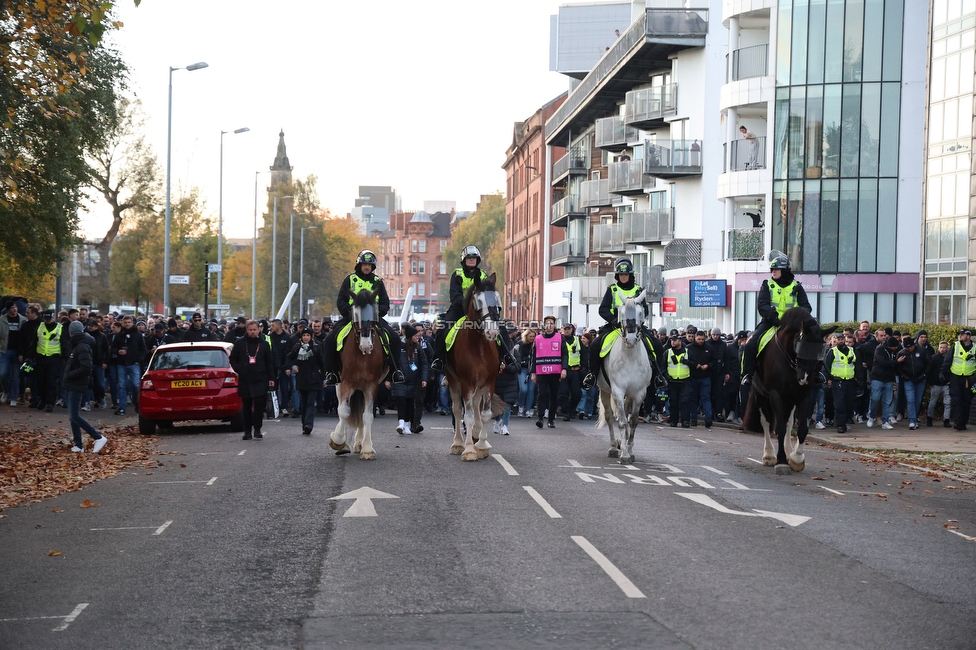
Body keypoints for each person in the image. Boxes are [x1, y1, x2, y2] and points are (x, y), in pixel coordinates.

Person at [322, 250, 404, 386]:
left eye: (369, 265)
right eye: (364, 264)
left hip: (373, 318)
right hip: (352, 318)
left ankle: (394, 371)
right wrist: (350, 313)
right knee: (330, 339)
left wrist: (378, 313)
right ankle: (331, 372)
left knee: (394, 339)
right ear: (359, 265)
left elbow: (385, 303)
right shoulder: (350, 279)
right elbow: (341, 300)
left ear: (373, 267)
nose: (367, 267)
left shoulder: (378, 282)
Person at [430, 245, 516, 374]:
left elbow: (489, 293)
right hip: (459, 309)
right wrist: (466, 304)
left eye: (474, 258)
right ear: (464, 260)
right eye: (469, 258)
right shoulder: (457, 274)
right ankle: (439, 360)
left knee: (500, 327)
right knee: (443, 329)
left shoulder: (483, 275)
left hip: (480, 311)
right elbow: (455, 295)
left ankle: (506, 356)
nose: (471, 260)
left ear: (478, 260)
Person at [582, 257, 655, 390]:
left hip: (635, 326)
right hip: (614, 326)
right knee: (595, 345)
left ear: (630, 275)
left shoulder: (638, 290)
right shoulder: (612, 290)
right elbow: (602, 309)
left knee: (655, 344)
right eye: (621, 274)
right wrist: (613, 320)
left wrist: (639, 321)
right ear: (617, 275)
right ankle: (592, 375)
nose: (623, 277)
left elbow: (645, 310)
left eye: (626, 274)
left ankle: (658, 376)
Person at [739, 253, 811, 387]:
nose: (773, 272)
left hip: (793, 324)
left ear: (784, 270)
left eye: (776, 269)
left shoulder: (797, 286)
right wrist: (775, 318)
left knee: (813, 339)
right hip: (770, 322)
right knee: (750, 344)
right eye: (772, 270)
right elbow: (762, 305)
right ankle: (747, 374)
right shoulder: (767, 284)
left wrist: (796, 318)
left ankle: (816, 373)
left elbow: (806, 307)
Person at [62, 320, 108, 453]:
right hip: (74, 383)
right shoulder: (80, 344)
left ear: (71, 333)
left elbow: (85, 367)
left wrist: (69, 375)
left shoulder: (81, 346)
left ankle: (98, 437)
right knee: (73, 416)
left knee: (74, 416)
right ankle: (78, 444)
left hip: (77, 383)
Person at [230, 320, 275, 440]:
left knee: (260, 404)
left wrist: (271, 377)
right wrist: (239, 369)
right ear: (247, 330)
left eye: (254, 330)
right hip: (245, 378)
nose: (252, 332)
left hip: (260, 378)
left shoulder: (264, 344)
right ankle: (247, 431)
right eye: (250, 330)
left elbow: (269, 362)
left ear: (259, 330)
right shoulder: (240, 343)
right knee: (247, 405)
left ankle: (257, 428)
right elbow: (233, 359)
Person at [386, 323, 429, 435]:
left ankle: (406, 424)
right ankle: (400, 423)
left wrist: (424, 378)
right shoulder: (398, 346)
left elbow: (424, 364)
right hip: (400, 379)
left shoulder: (418, 348)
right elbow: (391, 363)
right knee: (401, 401)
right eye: (415, 336)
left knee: (410, 402)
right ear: (410, 337)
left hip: (413, 380)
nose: (418, 337)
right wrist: (388, 379)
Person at [286, 329, 324, 435]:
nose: (306, 337)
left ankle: (309, 424)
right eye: (304, 335)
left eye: (308, 335)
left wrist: (323, 376)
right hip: (301, 378)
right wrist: (293, 366)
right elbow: (289, 358)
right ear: (301, 337)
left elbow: (322, 362)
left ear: (311, 336)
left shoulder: (316, 347)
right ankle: (304, 425)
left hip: (314, 379)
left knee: (310, 403)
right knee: (304, 403)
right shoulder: (297, 347)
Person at [531, 315, 566, 429]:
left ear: (554, 325)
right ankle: (540, 418)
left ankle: (551, 419)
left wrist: (564, 369)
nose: (549, 326)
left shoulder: (560, 337)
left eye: (551, 323)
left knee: (554, 396)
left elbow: (565, 354)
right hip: (541, 371)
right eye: (547, 323)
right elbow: (533, 356)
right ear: (544, 325)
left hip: (555, 372)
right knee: (542, 394)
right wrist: (533, 372)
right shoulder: (538, 338)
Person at [941, 328, 976, 431]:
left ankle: (963, 422)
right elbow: (947, 360)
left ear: (968, 336)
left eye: (963, 334)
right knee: (956, 400)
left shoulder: (974, 348)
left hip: (969, 378)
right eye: (960, 334)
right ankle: (957, 422)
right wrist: (942, 373)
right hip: (956, 377)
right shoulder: (955, 346)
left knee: (966, 401)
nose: (960, 336)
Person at [111, 314, 146, 416]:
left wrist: (138, 360)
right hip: (121, 363)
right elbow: (113, 348)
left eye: (129, 322)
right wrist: (118, 351)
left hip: (134, 363)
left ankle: (138, 404)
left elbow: (143, 349)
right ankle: (122, 407)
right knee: (122, 386)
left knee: (136, 385)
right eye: (125, 322)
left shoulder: (138, 335)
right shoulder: (119, 335)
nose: (127, 324)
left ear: (132, 323)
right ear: (122, 323)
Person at [825, 332, 856, 433]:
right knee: (840, 404)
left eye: (842, 339)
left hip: (850, 381)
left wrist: (859, 379)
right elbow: (827, 366)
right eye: (839, 339)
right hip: (837, 381)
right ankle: (840, 425)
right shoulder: (832, 351)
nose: (841, 341)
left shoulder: (851, 350)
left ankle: (846, 421)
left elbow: (857, 365)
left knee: (849, 403)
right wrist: (828, 379)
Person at [683, 329, 714, 428]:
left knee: (705, 398)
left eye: (702, 339)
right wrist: (695, 365)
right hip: (693, 377)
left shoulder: (709, 348)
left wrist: (708, 365)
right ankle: (693, 418)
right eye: (699, 339)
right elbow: (685, 361)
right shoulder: (689, 348)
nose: (700, 341)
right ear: (695, 338)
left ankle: (708, 418)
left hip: (705, 377)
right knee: (693, 399)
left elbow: (714, 361)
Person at [868, 335, 900, 430]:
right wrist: (896, 362)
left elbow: (893, 368)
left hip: (889, 379)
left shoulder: (893, 352)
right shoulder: (879, 349)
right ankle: (872, 416)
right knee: (875, 398)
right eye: (895, 346)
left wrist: (894, 380)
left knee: (887, 401)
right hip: (877, 378)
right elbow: (883, 362)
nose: (896, 348)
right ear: (891, 346)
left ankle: (885, 421)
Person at [0, 300, 28, 406]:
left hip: (18, 351)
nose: (14, 309)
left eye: (15, 307)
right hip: (5, 351)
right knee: (2, 374)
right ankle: (6, 391)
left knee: (15, 376)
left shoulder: (23, 320)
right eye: (12, 307)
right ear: (8, 309)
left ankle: (13, 397)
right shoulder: (2, 320)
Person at [897, 336, 927, 430]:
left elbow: (928, 364)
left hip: (920, 378)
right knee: (910, 400)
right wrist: (903, 376)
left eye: (910, 347)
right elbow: (899, 368)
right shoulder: (902, 353)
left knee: (917, 400)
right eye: (907, 347)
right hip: (908, 379)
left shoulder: (922, 351)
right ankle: (912, 420)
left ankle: (915, 417)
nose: (909, 349)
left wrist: (924, 375)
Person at [558, 323, 583, 421]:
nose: (567, 331)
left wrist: (584, 369)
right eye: (565, 329)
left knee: (577, 393)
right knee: (563, 393)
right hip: (563, 370)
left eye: (569, 329)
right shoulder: (559, 340)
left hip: (575, 370)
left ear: (572, 330)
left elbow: (583, 354)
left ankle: (572, 409)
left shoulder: (577, 340)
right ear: (562, 330)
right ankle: (566, 413)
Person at [666, 334, 691, 427]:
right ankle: (674, 420)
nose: (673, 342)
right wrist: (667, 377)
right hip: (672, 381)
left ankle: (685, 421)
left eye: (675, 340)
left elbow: (695, 364)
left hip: (685, 381)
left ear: (680, 341)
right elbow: (662, 367)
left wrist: (687, 362)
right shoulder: (668, 353)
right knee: (673, 401)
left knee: (685, 402)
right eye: (671, 340)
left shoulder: (687, 352)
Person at [926, 340, 951, 427]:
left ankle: (946, 420)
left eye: (944, 347)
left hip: (946, 384)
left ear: (947, 348)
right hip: (935, 384)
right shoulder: (934, 358)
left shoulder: (950, 358)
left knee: (947, 403)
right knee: (932, 402)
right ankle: (929, 418)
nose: (942, 349)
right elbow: (929, 371)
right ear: (938, 348)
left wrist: (950, 380)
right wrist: (931, 382)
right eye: (941, 347)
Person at [515, 328, 537, 419]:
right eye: (530, 336)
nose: (532, 338)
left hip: (532, 370)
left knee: (531, 390)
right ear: (526, 336)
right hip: (522, 369)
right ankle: (521, 407)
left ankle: (528, 409)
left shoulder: (536, 344)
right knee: (523, 389)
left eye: (533, 336)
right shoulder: (520, 344)